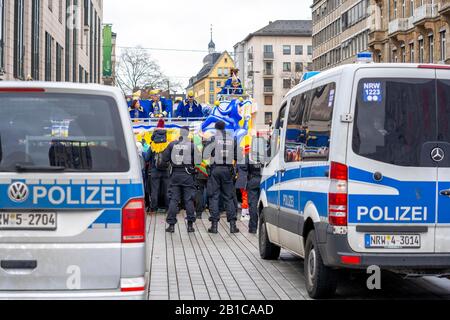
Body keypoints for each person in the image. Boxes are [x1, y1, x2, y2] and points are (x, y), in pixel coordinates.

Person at [206, 121, 240, 234]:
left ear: (216, 129)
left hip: (215, 170)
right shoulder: (232, 139)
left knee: (214, 197)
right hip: (227, 170)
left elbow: (206, 154)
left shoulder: (213, 139)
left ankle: (214, 226)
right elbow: (237, 156)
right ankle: (232, 226)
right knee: (229, 197)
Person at [163, 127, 197, 233]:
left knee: (174, 199)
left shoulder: (172, 144)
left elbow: (164, 159)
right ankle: (190, 226)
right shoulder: (192, 146)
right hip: (187, 175)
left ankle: (171, 225)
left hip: (175, 175)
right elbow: (199, 161)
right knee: (188, 200)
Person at [146, 119, 170, 213]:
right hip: (166, 170)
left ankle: (153, 208)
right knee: (167, 190)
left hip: (154, 171)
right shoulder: (167, 144)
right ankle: (168, 208)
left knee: (154, 190)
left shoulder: (152, 145)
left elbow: (147, 158)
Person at [238, 147, 263, 234]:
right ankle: (264, 228)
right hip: (263, 180)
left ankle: (253, 228)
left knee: (252, 205)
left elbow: (243, 167)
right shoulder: (266, 155)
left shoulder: (249, 156)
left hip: (252, 181)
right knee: (265, 205)